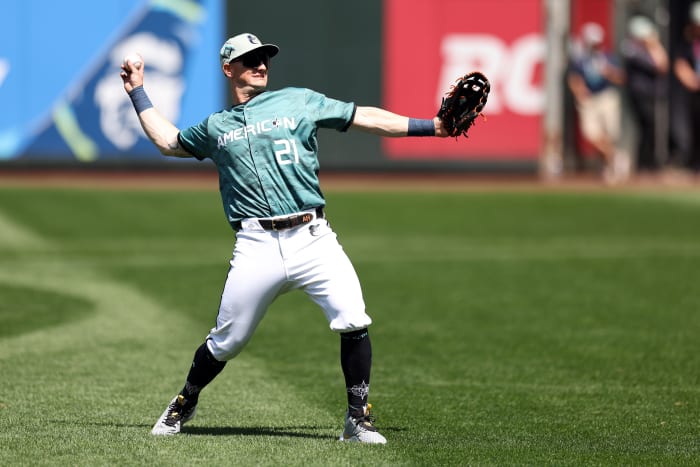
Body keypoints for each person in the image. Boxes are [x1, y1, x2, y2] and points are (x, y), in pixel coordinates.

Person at [120, 32, 451, 444]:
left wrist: (431, 127)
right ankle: (185, 401)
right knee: (227, 341)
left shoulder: (299, 100)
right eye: (250, 59)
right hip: (256, 245)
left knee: (353, 317)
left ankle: (357, 418)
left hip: (313, 237)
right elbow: (169, 142)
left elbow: (362, 116)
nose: (261, 64)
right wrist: (137, 91)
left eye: (265, 58)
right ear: (229, 69)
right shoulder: (216, 127)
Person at [567, 22, 628, 184]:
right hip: (589, 100)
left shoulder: (607, 58)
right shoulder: (580, 59)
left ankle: (609, 166)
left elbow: (621, 78)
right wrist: (579, 91)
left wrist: (609, 71)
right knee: (591, 133)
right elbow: (574, 78)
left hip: (606, 97)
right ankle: (615, 156)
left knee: (609, 134)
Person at [621, 15, 669, 173]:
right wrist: (651, 45)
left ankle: (648, 162)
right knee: (646, 127)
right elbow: (656, 66)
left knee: (651, 127)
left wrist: (654, 45)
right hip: (639, 94)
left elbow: (663, 64)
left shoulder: (648, 49)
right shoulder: (631, 49)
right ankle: (643, 162)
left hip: (651, 94)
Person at [673, 1, 700, 174]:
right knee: (695, 126)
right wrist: (691, 79)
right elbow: (680, 64)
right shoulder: (688, 44)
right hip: (695, 92)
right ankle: (695, 163)